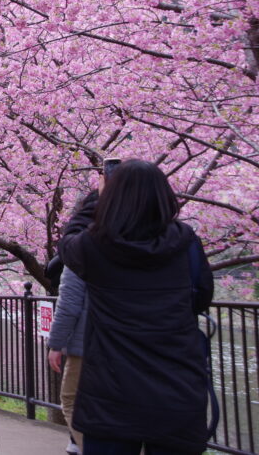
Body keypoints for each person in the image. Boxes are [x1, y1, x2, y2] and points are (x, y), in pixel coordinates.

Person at [58, 159, 213, 455]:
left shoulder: (95, 246)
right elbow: (201, 297)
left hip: (111, 393)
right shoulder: (186, 242)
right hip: (177, 389)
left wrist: (95, 202)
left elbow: (67, 243)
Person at [47, 264, 88, 455]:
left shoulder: (80, 252)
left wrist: (56, 344)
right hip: (126, 342)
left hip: (84, 345)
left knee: (70, 399)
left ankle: (91, 447)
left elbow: (68, 305)